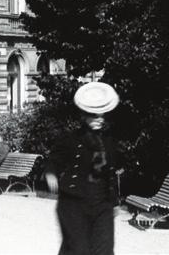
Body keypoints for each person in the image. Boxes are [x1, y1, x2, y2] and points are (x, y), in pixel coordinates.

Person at [45, 82, 121, 255]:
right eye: (95, 115)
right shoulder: (71, 139)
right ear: (84, 116)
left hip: (102, 204)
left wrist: (114, 202)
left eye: (102, 116)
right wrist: (51, 174)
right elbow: (53, 160)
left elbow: (109, 174)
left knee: (104, 250)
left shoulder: (109, 141)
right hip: (73, 202)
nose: (99, 119)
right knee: (79, 250)